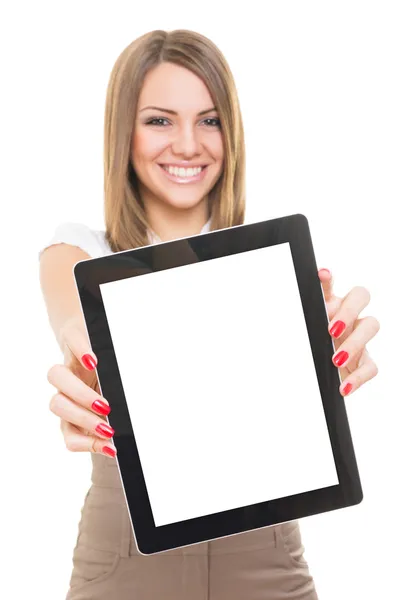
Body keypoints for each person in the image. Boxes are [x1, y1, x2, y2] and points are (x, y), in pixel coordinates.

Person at [38, 29, 380, 600]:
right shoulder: (78, 251)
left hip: (266, 554)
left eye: (210, 120)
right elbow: (73, 314)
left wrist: (333, 355)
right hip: (124, 555)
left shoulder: (271, 269)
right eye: (159, 120)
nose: (188, 144)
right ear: (124, 130)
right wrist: (84, 358)